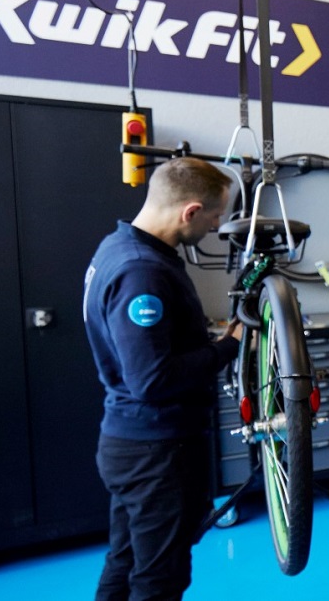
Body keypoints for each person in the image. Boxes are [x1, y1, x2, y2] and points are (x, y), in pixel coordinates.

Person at [83, 156, 243, 600]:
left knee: (127, 560)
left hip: (129, 443)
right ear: (190, 211)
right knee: (160, 578)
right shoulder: (143, 272)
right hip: (158, 452)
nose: (214, 227)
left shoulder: (117, 247)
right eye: (214, 217)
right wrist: (229, 346)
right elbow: (153, 380)